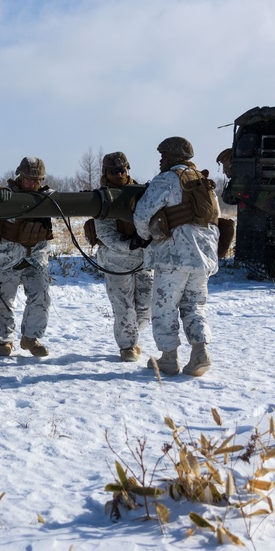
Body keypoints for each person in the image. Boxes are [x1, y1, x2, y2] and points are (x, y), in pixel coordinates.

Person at [132, 137, 220, 377]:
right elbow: (215, 218)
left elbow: (142, 214)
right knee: (194, 306)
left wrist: (144, 236)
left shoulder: (167, 180)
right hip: (203, 258)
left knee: (164, 306)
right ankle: (200, 353)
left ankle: (169, 358)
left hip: (173, 257)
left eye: (163, 155)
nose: (161, 159)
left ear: (172, 156)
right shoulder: (204, 182)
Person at [0, 157, 54, 357]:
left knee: (41, 297)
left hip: (35, 259)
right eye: (28, 179)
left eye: (37, 180)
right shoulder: (5, 197)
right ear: (19, 176)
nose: (32, 183)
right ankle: (4, 341)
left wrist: (53, 198)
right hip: (7, 260)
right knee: (2, 300)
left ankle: (31, 338)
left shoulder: (46, 199)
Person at [93, 152, 153, 362]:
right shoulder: (102, 197)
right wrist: (129, 244)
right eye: (114, 171)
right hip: (116, 261)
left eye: (122, 170)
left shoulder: (144, 193)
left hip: (145, 260)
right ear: (106, 173)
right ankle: (127, 347)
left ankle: (134, 337)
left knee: (145, 307)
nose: (119, 174)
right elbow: (105, 233)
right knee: (124, 307)